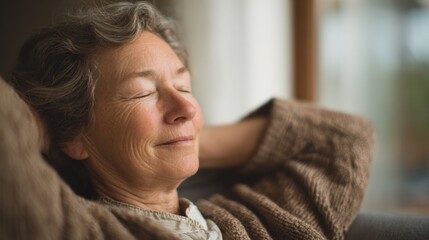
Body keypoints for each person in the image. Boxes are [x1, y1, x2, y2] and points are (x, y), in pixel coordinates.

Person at [0, 1, 375, 239]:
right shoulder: (80, 228)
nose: (188, 107)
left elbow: (343, 139)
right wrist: (49, 129)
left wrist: (187, 135)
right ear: (73, 135)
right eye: (144, 92)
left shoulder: (256, 223)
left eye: (184, 85)